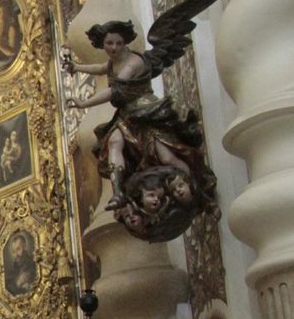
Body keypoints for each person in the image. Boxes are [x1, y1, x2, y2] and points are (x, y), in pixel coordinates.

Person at [63, 21, 207, 208]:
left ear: (125, 43)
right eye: (109, 43)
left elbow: (114, 91)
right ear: (102, 43)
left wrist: (84, 103)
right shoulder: (115, 61)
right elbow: (101, 68)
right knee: (114, 143)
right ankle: (117, 194)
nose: (114, 48)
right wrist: (76, 67)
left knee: (167, 158)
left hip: (146, 112)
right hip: (127, 114)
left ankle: (197, 191)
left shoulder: (132, 63)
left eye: (118, 43)